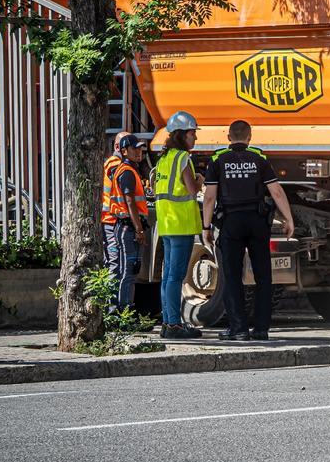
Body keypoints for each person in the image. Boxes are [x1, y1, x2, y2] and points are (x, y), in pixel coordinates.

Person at [202, 120, 295, 341]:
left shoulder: (217, 159)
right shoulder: (259, 158)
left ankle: (239, 329)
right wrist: (288, 219)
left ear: (228, 138)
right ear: (250, 136)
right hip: (257, 221)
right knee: (264, 276)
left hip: (231, 222)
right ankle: (262, 329)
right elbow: (277, 192)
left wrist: (206, 226)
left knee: (232, 276)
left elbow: (209, 198)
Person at [153, 111, 204, 339]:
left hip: (166, 223)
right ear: (182, 135)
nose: (195, 138)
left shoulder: (163, 158)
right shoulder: (183, 158)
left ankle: (168, 321)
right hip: (181, 224)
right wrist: (201, 179)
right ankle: (174, 324)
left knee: (168, 277)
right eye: (193, 133)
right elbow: (192, 189)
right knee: (175, 277)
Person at [100, 134, 149, 310]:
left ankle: (119, 310)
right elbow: (129, 201)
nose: (139, 151)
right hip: (118, 223)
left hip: (117, 222)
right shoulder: (121, 168)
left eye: (140, 148)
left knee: (125, 269)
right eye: (134, 148)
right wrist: (139, 229)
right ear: (121, 149)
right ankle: (117, 310)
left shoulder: (126, 169)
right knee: (123, 269)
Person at [102, 130, 130, 278]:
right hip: (111, 219)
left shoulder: (116, 162)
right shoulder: (115, 163)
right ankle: (111, 300)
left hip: (112, 219)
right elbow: (122, 185)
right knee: (115, 262)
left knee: (114, 262)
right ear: (118, 147)